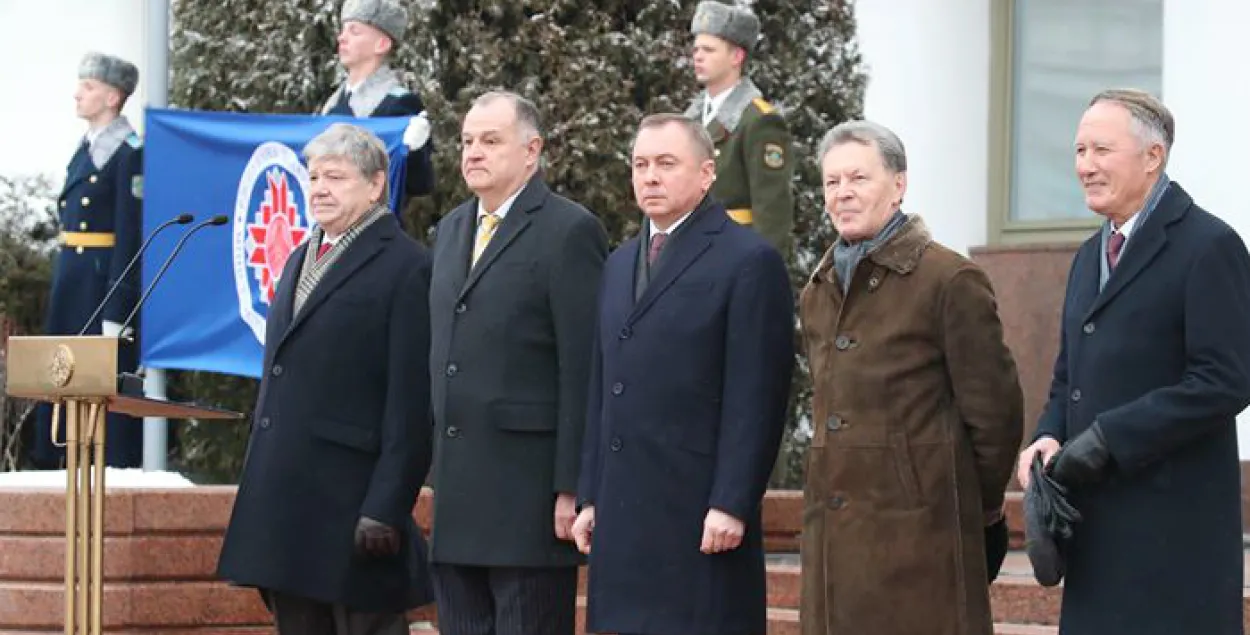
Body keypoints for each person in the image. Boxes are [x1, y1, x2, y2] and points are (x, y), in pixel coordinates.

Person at [1015, 89, 1250, 635]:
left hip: (1174, 540)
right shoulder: (1086, 256)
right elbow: (1067, 376)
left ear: (1153, 156)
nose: (1086, 166)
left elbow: (1226, 380)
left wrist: (1109, 438)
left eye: (1102, 149)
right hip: (1094, 534)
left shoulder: (1208, 245)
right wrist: (1049, 434)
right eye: (1079, 151)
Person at [571, 113, 795, 635]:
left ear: (707, 173)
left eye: (666, 164)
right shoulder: (619, 262)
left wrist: (732, 502)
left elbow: (757, 396)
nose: (650, 176)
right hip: (623, 515)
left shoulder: (748, 260)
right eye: (640, 164)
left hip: (697, 514)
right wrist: (589, 493)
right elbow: (602, 386)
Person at [798, 120, 1023, 635]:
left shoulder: (949, 279)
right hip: (833, 539)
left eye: (858, 178)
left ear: (898, 185)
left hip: (922, 539)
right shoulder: (820, 288)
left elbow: (996, 416)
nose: (843, 193)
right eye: (832, 182)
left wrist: (968, 504)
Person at [216, 123, 435, 635]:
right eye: (314, 176)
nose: (318, 188)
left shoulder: (407, 266)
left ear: (376, 184)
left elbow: (412, 402)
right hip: (287, 504)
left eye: (335, 177)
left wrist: (387, 504)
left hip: (352, 508)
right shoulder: (300, 256)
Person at [426, 91, 607, 635]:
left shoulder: (568, 230)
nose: (473, 152)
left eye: (490, 140)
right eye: (466, 141)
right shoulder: (452, 228)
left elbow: (582, 368)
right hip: (458, 497)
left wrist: (572, 486)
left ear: (532, 151)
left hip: (527, 501)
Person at [33, 52, 144, 469]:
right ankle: (55, 462)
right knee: (59, 379)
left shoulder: (129, 152)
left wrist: (119, 308)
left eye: (90, 86)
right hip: (72, 282)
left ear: (113, 97)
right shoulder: (86, 149)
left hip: (99, 287)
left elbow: (128, 236)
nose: (78, 94)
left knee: (101, 388)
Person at [683, 0, 794, 257]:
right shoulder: (688, 121)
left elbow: (772, 211)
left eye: (709, 50)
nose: (697, 56)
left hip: (733, 255)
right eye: (696, 48)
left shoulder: (759, 121)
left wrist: (761, 272)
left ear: (737, 56)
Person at [321, 0, 435, 203]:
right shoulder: (332, 105)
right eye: (343, 30)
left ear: (381, 44)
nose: (342, 38)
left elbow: (419, 183)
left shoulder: (398, 104)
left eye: (354, 31)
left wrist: (413, 152)